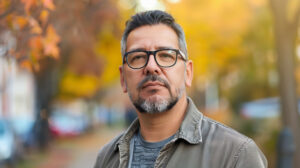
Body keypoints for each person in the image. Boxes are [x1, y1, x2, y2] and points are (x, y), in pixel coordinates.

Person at [94, 10, 267, 168]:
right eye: (138, 57)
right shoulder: (107, 158)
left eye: (166, 55)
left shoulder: (236, 155)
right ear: (123, 78)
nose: (152, 66)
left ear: (188, 73)